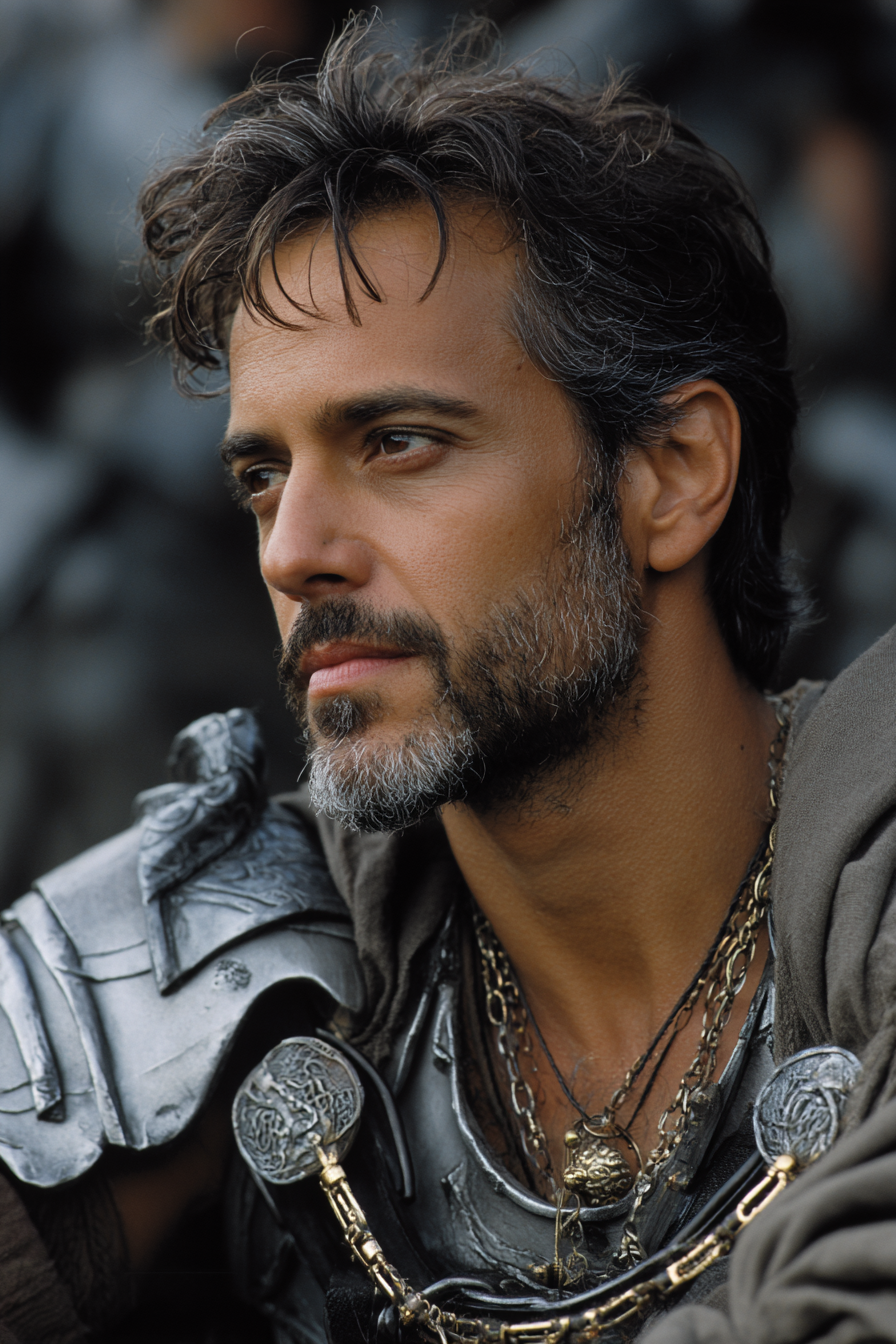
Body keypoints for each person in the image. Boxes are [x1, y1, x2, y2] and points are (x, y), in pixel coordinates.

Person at [1, 17, 896, 1344]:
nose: (293, 551)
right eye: (264, 476)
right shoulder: (235, 959)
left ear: (674, 476)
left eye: (399, 442)